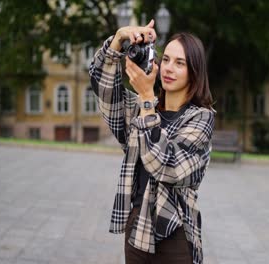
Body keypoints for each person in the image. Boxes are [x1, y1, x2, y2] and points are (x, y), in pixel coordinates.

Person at [89, 19, 215, 264]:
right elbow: (103, 89)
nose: (168, 68)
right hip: (137, 228)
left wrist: (147, 98)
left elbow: (167, 167)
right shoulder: (142, 108)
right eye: (165, 59)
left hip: (176, 232)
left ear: (195, 71)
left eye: (180, 63)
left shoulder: (201, 118)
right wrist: (118, 40)